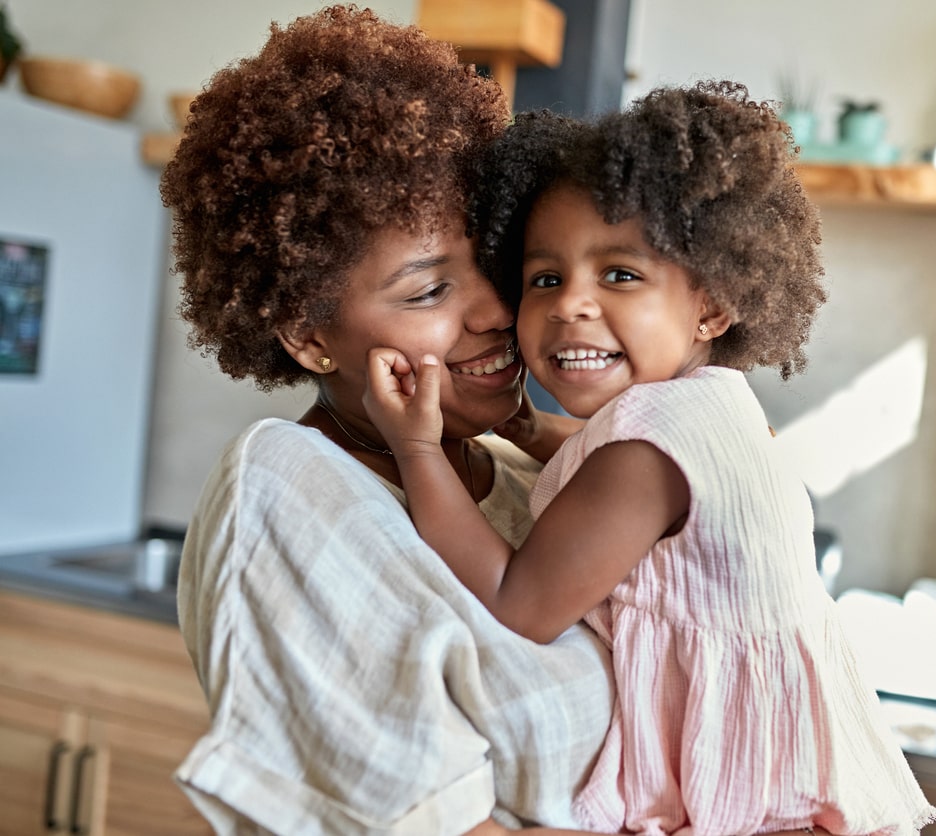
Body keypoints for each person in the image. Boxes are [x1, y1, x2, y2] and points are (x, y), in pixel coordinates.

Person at [161, 6, 834, 835]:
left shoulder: (543, 474)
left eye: (496, 266)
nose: (497, 310)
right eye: (428, 291)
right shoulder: (287, 489)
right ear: (307, 336)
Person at [365, 82, 936, 836]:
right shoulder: (712, 406)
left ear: (712, 304)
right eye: (546, 279)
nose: (571, 303)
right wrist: (523, 425)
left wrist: (416, 449)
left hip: (750, 808)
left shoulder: (646, 444)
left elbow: (518, 604)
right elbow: (602, 472)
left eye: (620, 275)